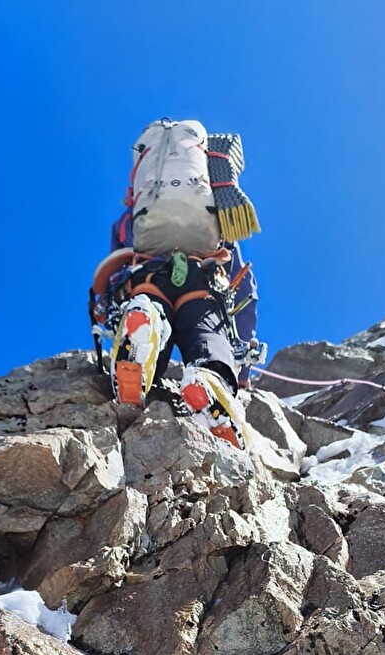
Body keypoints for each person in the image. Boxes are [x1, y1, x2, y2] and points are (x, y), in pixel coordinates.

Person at [89, 119, 264, 449]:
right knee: (206, 333)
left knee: (152, 313)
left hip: (146, 276)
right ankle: (209, 377)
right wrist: (241, 369)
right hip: (203, 280)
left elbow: (117, 269)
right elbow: (244, 284)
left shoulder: (131, 217)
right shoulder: (215, 207)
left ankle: (145, 322)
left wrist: (113, 306)